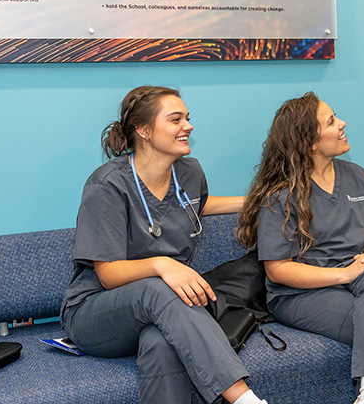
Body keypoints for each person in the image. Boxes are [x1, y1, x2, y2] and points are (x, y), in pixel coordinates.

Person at [60, 86, 264, 404]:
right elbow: (107, 274)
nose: (188, 126)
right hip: (96, 312)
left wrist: (257, 201)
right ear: (143, 130)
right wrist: (162, 264)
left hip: (162, 312)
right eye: (175, 119)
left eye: (187, 118)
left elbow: (197, 204)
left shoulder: (189, 172)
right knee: (159, 287)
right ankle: (245, 399)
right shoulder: (108, 185)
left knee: (162, 341)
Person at [237, 92, 364, 404]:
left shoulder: (357, 175)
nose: (343, 124)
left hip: (359, 276)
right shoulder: (282, 195)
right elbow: (278, 269)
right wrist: (345, 274)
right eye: (331, 121)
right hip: (302, 294)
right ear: (310, 143)